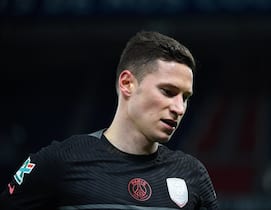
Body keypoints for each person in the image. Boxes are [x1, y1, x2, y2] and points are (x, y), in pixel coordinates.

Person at [0, 31, 219, 210]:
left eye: (186, 98)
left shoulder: (192, 174)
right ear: (127, 84)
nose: (179, 108)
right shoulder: (62, 160)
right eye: (168, 91)